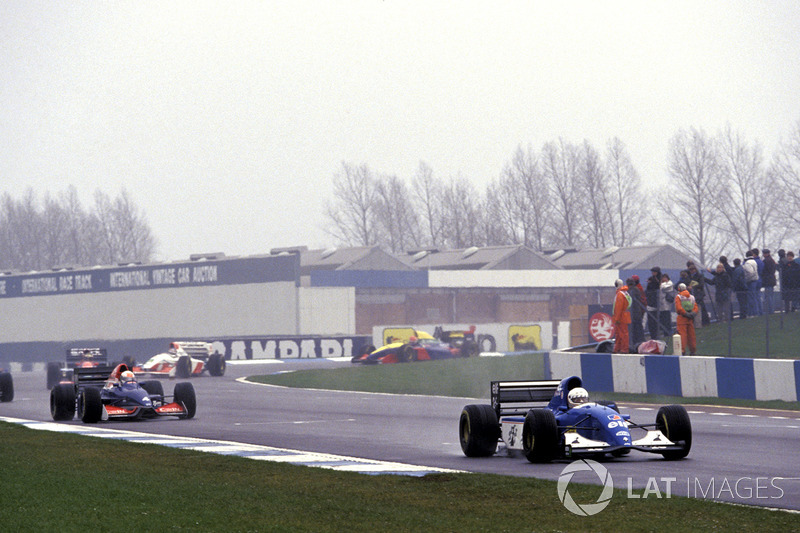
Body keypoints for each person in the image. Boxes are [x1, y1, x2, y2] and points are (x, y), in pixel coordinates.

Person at [675, 289, 698, 355]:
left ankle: (682, 350)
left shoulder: (678, 297)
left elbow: (679, 308)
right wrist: (693, 313)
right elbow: (695, 306)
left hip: (682, 317)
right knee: (691, 335)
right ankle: (693, 350)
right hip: (690, 318)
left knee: (682, 335)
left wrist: (685, 313)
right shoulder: (691, 297)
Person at [687, 261, 710, 326]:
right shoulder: (689, 276)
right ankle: (696, 322)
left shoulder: (699, 275)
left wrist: (693, 286)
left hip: (699, 294)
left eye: (692, 270)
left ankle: (705, 322)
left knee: (701, 308)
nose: (691, 271)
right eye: (690, 270)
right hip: (693, 294)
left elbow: (701, 284)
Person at [612, 279, 632, 353]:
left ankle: (623, 349)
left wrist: (616, 318)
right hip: (624, 316)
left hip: (620, 317)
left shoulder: (620, 294)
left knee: (622, 334)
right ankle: (618, 348)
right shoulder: (625, 293)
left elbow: (618, 307)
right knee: (620, 334)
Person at [627, 275, 646, 345]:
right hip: (637, 311)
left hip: (634, 312)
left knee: (636, 328)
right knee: (638, 327)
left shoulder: (632, 290)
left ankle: (637, 342)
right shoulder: (637, 289)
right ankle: (640, 341)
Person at [645, 267, 663, 339]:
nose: (653, 273)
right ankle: (653, 335)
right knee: (651, 321)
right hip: (651, 300)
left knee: (657, 319)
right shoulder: (651, 278)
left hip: (657, 300)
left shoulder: (659, 278)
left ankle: (657, 334)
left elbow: (658, 286)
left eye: (654, 272)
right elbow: (648, 288)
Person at [743, 250, 761, 316]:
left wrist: (746, 278)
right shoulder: (754, 261)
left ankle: (752, 313)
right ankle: (756, 312)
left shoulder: (747, 263)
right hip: (755, 280)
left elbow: (750, 272)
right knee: (754, 297)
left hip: (750, 281)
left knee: (751, 298)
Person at [659, 273, 675, 337]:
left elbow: (663, 288)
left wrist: (660, 284)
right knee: (663, 320)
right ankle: (665, 332)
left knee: (667, 319)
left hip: (666, 305)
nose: (663, 279)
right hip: (661, 305)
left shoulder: (669, 284)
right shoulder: (663, 284)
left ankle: (668, 332)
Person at [762, 249, 777, 314]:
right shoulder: (772, 260)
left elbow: (764, 271)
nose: (763, 254)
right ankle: (771, 310)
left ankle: (770, 311)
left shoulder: (766, 261)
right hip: (772, 280)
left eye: (764, 253)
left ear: (766, 254)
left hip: (767, 280)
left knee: (768, 297)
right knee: (771, 296)